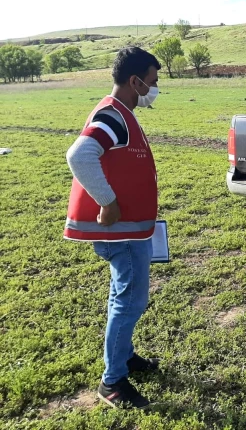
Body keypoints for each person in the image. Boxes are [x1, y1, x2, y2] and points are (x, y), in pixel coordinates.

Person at [64, 47, 162, 409]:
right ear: (135, 81)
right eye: (152, 81)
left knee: (123, 296)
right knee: (129, 300)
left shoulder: (120, 112)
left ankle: (123, 358)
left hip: (128, 230)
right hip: (119, 231)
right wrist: (107, 201)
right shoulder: (113, 115)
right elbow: (79, 154)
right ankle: (113, 382)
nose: (155, 88)